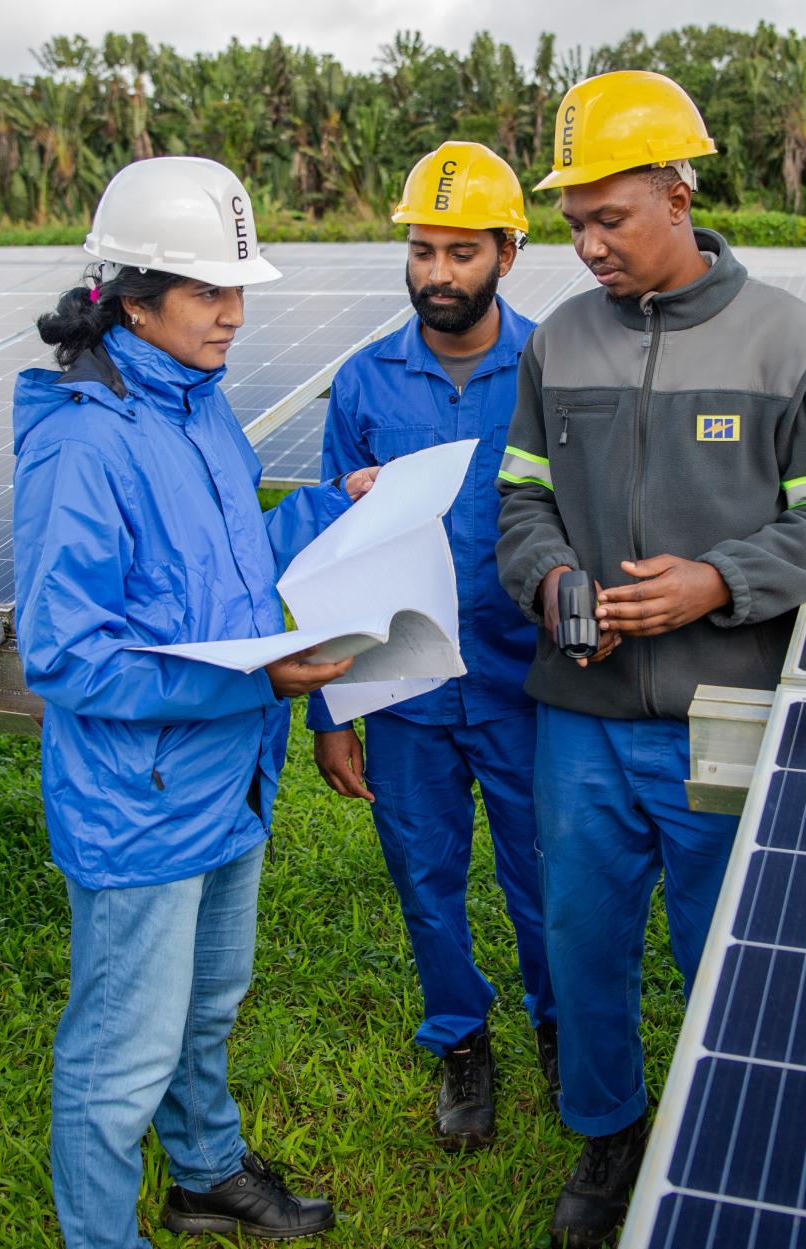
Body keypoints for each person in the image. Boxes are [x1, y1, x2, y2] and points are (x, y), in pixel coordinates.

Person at [494, 71, 806, 1246]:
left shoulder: (785, 338)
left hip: (727, 710)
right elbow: (520, 508)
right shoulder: (560, 340)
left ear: (678, 190)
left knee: (728, 934)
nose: (589, 245)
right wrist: (556, 584)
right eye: (574, 225)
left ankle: (739, 1123)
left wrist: (721, 581)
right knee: (585, 932)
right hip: (584, 717)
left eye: (610, 218)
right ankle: (608, 1128)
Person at [13, 155, 374, 1249]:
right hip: (141, 798)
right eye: (210, 292)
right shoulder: (84, 443)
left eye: (239, 289)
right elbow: (67, 655)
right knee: (120, 1052)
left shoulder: (197, 406)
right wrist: (254, 678)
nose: (235, 314)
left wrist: (325, 505)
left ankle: (206, 1174)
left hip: (229, 775)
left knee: (207, 1006)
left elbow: (231, 572)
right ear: (131, 297)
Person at [307, 140, 557, 1152]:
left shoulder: (554, 366)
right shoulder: (365, 386)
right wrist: (331, 710)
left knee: (547, 870)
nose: (437, 273)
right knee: (424, 875)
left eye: (461, 252)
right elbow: (333, 547)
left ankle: (559, 1023)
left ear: (507, 252)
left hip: (530, 683)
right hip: (402, 686)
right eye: (422, 250)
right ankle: (462, 1038)